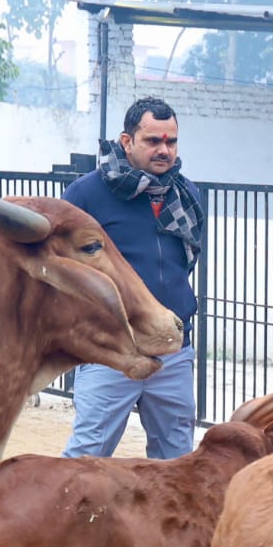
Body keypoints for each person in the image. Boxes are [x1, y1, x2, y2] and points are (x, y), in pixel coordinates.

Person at [61, 96, 203, 461]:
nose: (164, 150)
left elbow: (182, 264)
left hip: (172, 348)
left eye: (171, 141)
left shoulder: (186, 194)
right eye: (153, 141)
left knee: (175, 461)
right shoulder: (85, 194)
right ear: (127, 141)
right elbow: (65, 269)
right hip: (111, 347)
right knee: (87, 456)